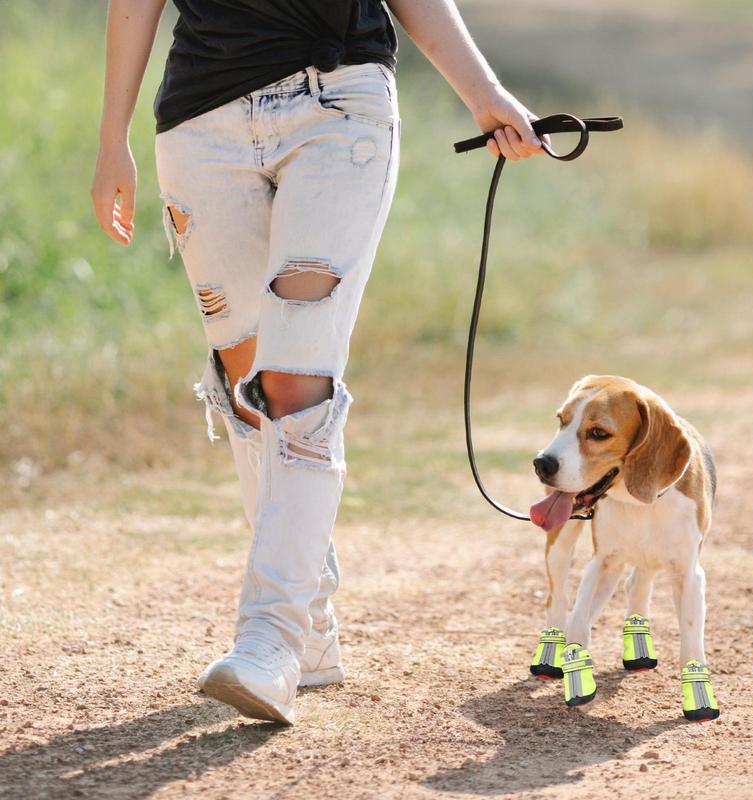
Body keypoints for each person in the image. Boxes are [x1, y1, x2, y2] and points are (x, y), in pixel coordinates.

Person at [92, 0, 544, 726]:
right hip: (199, 122)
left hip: (338, 108)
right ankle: (311, 627)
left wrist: (483, 93)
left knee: (294, 377)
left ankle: (269, 642)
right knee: (246, 385)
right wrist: (112, 137)